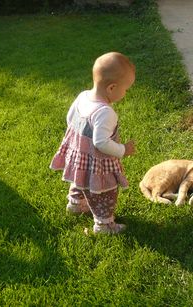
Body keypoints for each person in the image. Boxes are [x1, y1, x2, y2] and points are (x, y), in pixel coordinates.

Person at [50, 52, 136, 235]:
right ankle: (104, 225)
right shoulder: (105, 112)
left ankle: (76, 204)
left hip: (78, 154)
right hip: (97, 163)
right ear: (112, 88)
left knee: (79, 179)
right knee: (103, 192)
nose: (126, 93)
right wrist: (123, 150)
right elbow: (101, 143)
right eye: (126, 89)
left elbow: (70, 118)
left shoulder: (83, 96)